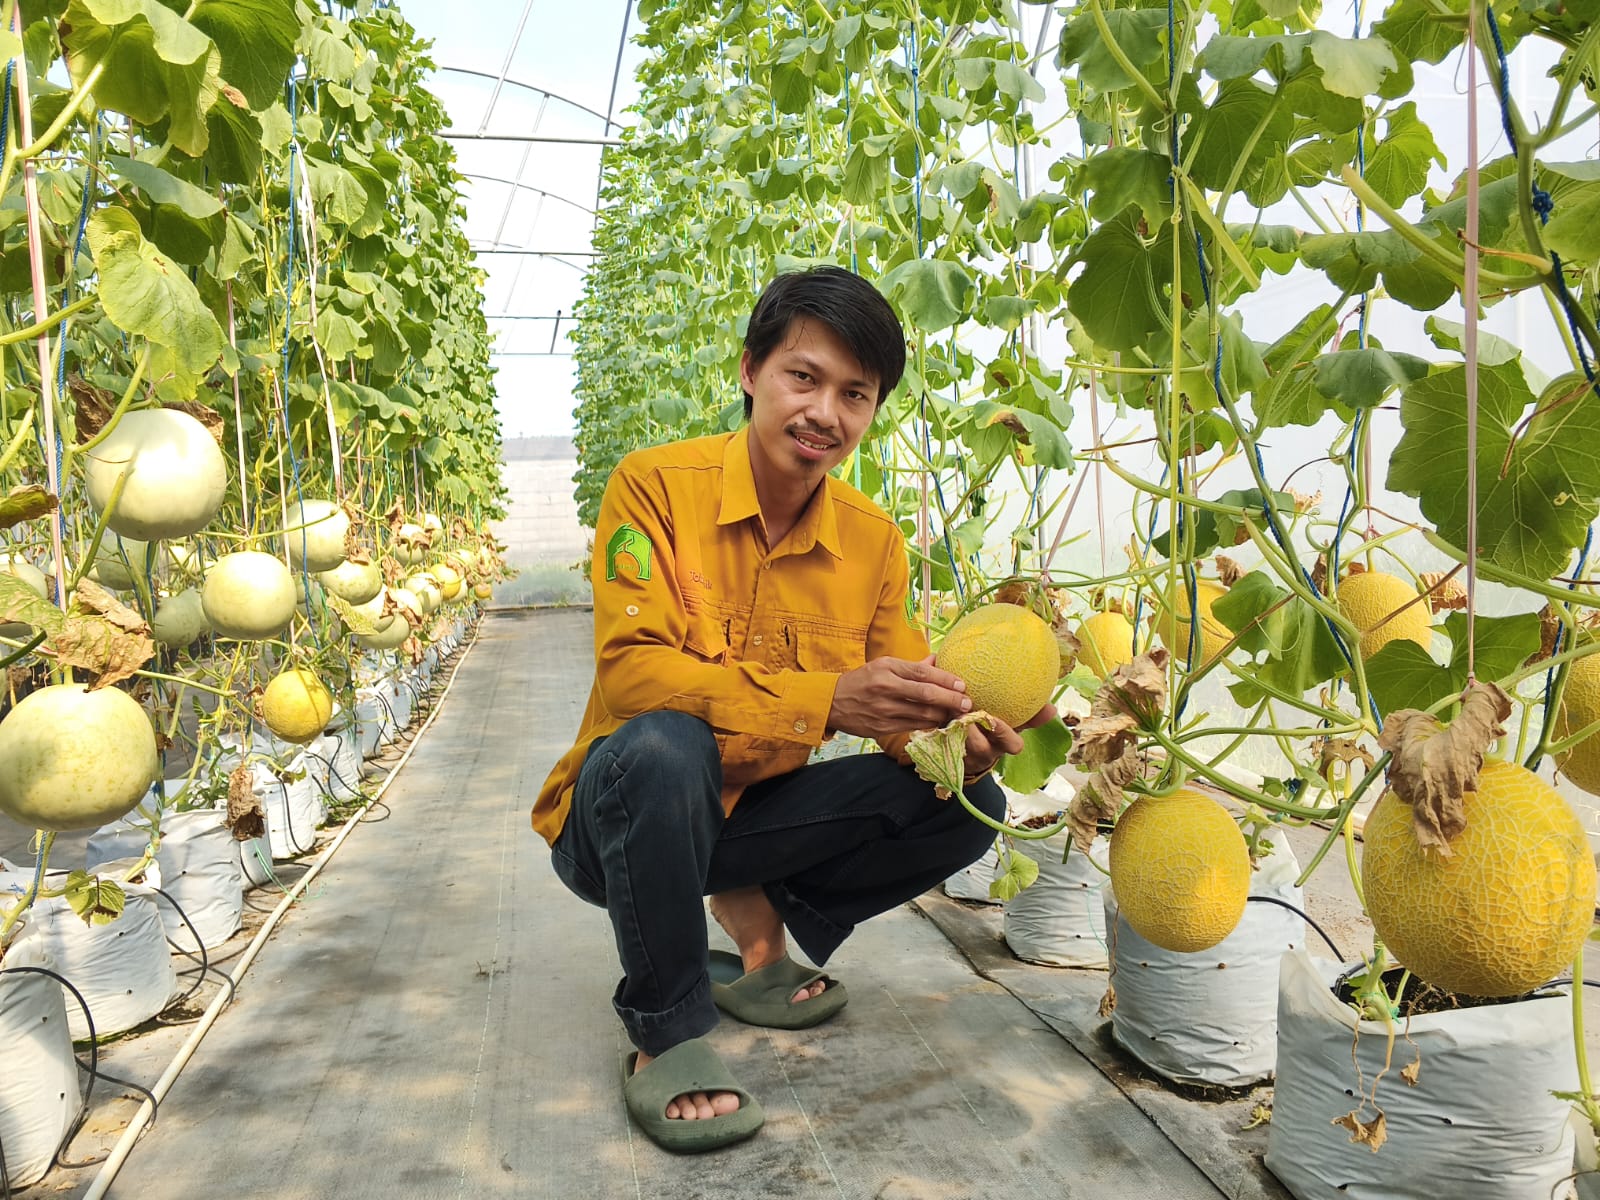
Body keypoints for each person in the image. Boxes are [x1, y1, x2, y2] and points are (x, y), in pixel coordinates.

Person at [533, 266, 1058, 1153]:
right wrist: (826, 699)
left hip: (749, 822)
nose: (826, 413)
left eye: (856, 394)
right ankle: (666, 1030)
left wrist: (954, 745)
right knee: (666, 745)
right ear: (750, 371)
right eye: (803, 378)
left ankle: (754, 909)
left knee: (967, 812)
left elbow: (902, 713)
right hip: (619, 822)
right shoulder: (655, 486)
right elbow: (631, 678)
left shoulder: (872, 541)